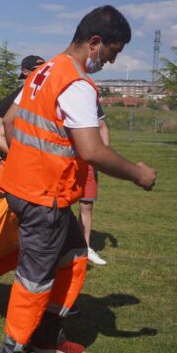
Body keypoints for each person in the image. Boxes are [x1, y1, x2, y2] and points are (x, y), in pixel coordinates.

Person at [0, 5, 156, 353]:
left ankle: (46, 335)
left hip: (26, 190)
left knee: (74, 256)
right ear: (95, 41)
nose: (110, 62)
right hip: (44, 198)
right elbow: (92, 149)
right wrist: (138, 174)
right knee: (33, 282)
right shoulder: (77, 83)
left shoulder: (43, 71)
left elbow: (9, 122)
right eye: (112, 53)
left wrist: (25, 161)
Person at [0, 55, 45, 173]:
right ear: (25, 72)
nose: (42, 73)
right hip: (15, 161)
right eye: (37, 69)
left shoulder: (44, 95)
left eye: (45, 69)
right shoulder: (12, 100)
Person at [79, 104, 110, 266]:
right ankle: (59, 247)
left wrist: (105, 155)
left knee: (86, 204)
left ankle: (85, 247)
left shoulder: (90, 100)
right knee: (58, 205)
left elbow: (103, 127)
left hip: (89, 160)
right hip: (64, 159)